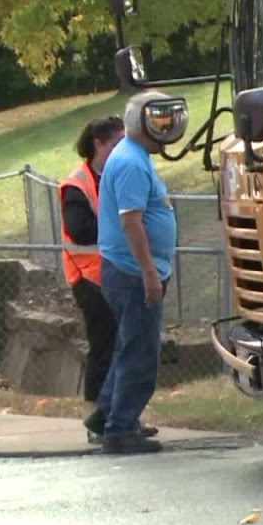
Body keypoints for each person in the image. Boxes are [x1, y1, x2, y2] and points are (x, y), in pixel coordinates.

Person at [86, 91, 179, 455]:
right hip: (131, 273)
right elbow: (131, 222)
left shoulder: (132, 156)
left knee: (129, 345)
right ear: (140, 123)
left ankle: (107, 415)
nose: (166, 130)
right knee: (141, 353)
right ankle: (120, 430)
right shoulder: (129, 163)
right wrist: (149, 274)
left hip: (128, 271)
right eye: (158, 122)